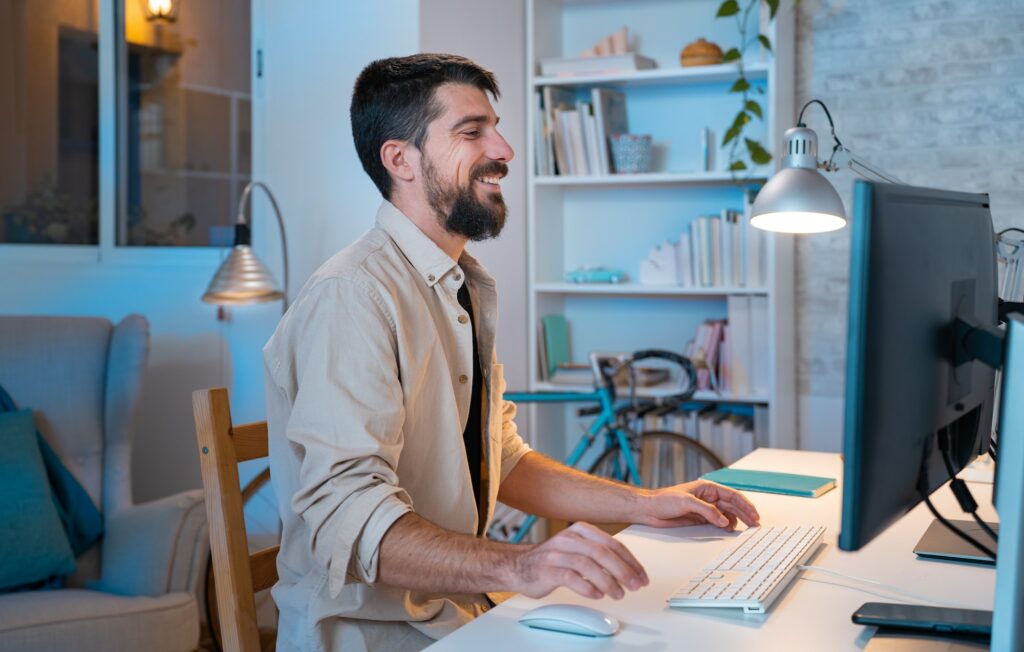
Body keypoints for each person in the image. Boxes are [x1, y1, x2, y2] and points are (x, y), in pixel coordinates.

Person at [263, 53, 760, 652]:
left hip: (460, 614)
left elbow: (501, 459)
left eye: (494, 127)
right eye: (472, 132)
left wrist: (649, 503)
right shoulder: (352, 296)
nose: (504, 149)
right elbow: (348, 515)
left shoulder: (461, 283)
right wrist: (521, 566)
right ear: (401, 160)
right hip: (375, 635)